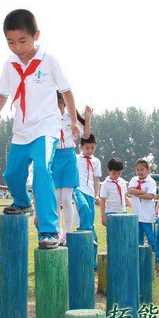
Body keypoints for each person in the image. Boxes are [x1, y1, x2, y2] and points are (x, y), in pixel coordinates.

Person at [0, 9, 80, 250]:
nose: (17, 47)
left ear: (35, 35)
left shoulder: (49, 60)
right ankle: (22, 202)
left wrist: (71, 119)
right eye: (10, 42)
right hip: (21, 129)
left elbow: (67, 90)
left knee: (42, 169)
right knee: (11, 174)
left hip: (46, 128)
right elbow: (2, 92)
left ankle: (49, 230)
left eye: (22, 41)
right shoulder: (10, 64)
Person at [52, 92, 92, 244]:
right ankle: (58, 232)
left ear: (63, 102)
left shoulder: (71, 118)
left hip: (68, 157)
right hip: (54, 157)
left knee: (66, 198)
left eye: (56, 102)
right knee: (55, 199)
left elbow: (86, 135)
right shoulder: (49, 117)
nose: (54, 105)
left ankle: (68, 232)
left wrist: (87, 118)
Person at [74, 135, 102, 267]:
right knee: (83, 208)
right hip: (78, 190)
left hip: (90, 193)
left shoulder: (96, 161)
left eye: (92, 148)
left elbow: (97, 180)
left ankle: (92, 261)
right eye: (87, 148)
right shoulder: (75, 158)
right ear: (81, 147)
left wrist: (97, 195)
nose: (90, 151)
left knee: (88, 224)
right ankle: (89, 238)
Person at [128, 159, 157, 249]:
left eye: (142, 170)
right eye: (137, 170)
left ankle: (154, 257)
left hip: (147, 215)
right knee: (137, 238)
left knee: (150, 237)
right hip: (136, 214)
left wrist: (136, 193)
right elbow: (129, 190)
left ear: (148, 170)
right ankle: (139, 257)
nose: (139, 172)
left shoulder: (151, 182)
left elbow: (150, 196)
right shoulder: (134, 180)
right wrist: (142, 192)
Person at [100, 158, 131, 227]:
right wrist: (103, 216)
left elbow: (125, 197)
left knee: (123, 233)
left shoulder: (122, 182)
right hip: (111, 213)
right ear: (108, 170)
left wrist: (133, 206)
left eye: (119, 173)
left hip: (123, 212)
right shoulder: (105, 184)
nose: (116, 175)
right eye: (114, 173)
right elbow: (102, 201)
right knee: (113, 233)